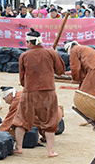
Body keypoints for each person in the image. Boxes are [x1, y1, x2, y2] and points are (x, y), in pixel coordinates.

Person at [12, 29, 64, 157]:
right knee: (50, 121)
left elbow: (22, 78)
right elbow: (60, 71)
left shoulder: (24, 56)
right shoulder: (50, 53)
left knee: (21, 119)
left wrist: (28, 86)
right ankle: (50, 151)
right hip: (48, 91)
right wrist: (56, 55)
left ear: (29, 42)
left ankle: (19, 147)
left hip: (29, 91)